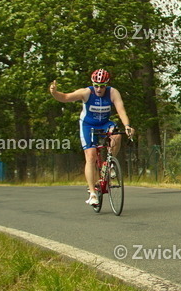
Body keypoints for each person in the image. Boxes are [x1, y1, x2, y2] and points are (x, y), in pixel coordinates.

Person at [49, 69, 134, 206]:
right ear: (92, 84)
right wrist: (54, 92)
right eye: (96, 86)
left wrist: (127, 126)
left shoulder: (113, 92)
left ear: (107, 84)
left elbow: (121, 109)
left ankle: (109, 163)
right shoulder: (86, 93)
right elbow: (65, 97)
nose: (99, 89)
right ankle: (93, 193)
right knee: (91, 155)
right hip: (88, 125)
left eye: (102, 86)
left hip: (105, 123)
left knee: (117, 135)